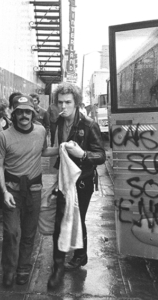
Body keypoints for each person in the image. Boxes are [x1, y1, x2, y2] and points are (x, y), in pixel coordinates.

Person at [0, 94, 58, 287]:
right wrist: (3, 191)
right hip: (12, 191)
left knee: (29, 233)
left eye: (27, 112)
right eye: (20, 112)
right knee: (11, 232)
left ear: (33, 114)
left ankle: (23, 268)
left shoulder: (40, 132)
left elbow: (44, 151)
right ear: (14, 114)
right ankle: (9, 270)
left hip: (34, 190)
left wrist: (63, 148)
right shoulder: (4, 136)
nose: (24, 115)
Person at [47, 82, 106, 289]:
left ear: (77, 103)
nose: (64, 106)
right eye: (60, 102)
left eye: (68, 102)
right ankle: (68, 259)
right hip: (65, 178)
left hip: (83, 181)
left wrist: (84, 154)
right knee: (63, 218)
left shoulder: (89, 125)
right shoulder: (58, 122)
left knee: (77, 217)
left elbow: (101, 155)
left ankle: (79, 255)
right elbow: (57, 148)